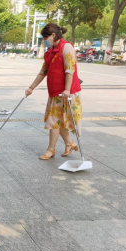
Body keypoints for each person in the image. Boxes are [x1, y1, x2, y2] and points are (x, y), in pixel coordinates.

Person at [25, 23, 82, 160]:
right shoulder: (50, 52)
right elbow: (43, 71)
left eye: (46, 38)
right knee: (58, 121)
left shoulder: (66, 47)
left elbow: (69, 70)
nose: (45, 41)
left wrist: (67, 89)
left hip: (66, 92)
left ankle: (51, 150)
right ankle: (69, 143)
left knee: (53, 121)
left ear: (53, 35)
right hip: (55, 93)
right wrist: (31, 87)